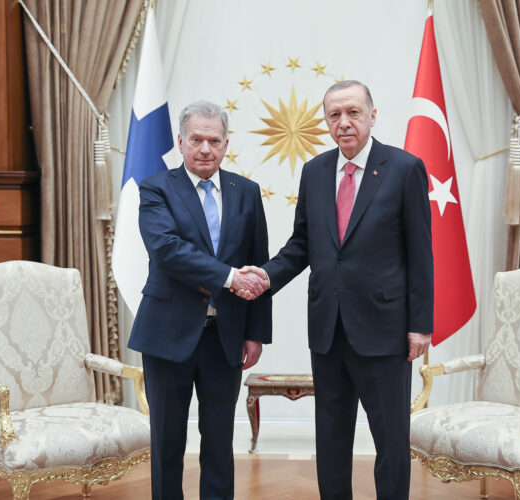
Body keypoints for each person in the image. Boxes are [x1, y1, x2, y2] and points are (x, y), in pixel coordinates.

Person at [242, 80, 433, 499]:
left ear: (372, 115)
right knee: (330, 438)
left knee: (391, 440)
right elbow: (302, 245)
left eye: (353, 113)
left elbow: (421, 252)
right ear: (326, 121)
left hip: (384, 330)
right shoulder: (314, 172)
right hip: (328, 330)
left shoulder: (404, 169)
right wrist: (266, 277)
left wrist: (420, 325)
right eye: (334, 115)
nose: (343, 122)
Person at [128, 100, 272, 500]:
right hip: (167, 335)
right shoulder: (156, 188)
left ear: (227, 144)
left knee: (219, 444)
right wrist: (228, 278)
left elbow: (257, 262)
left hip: (224, 337)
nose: (205, 148)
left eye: (214, 140)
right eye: (196, 139)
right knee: (168, 441)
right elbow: (167, 250)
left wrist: (256, 332)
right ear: (180, 141)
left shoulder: (246, 191)